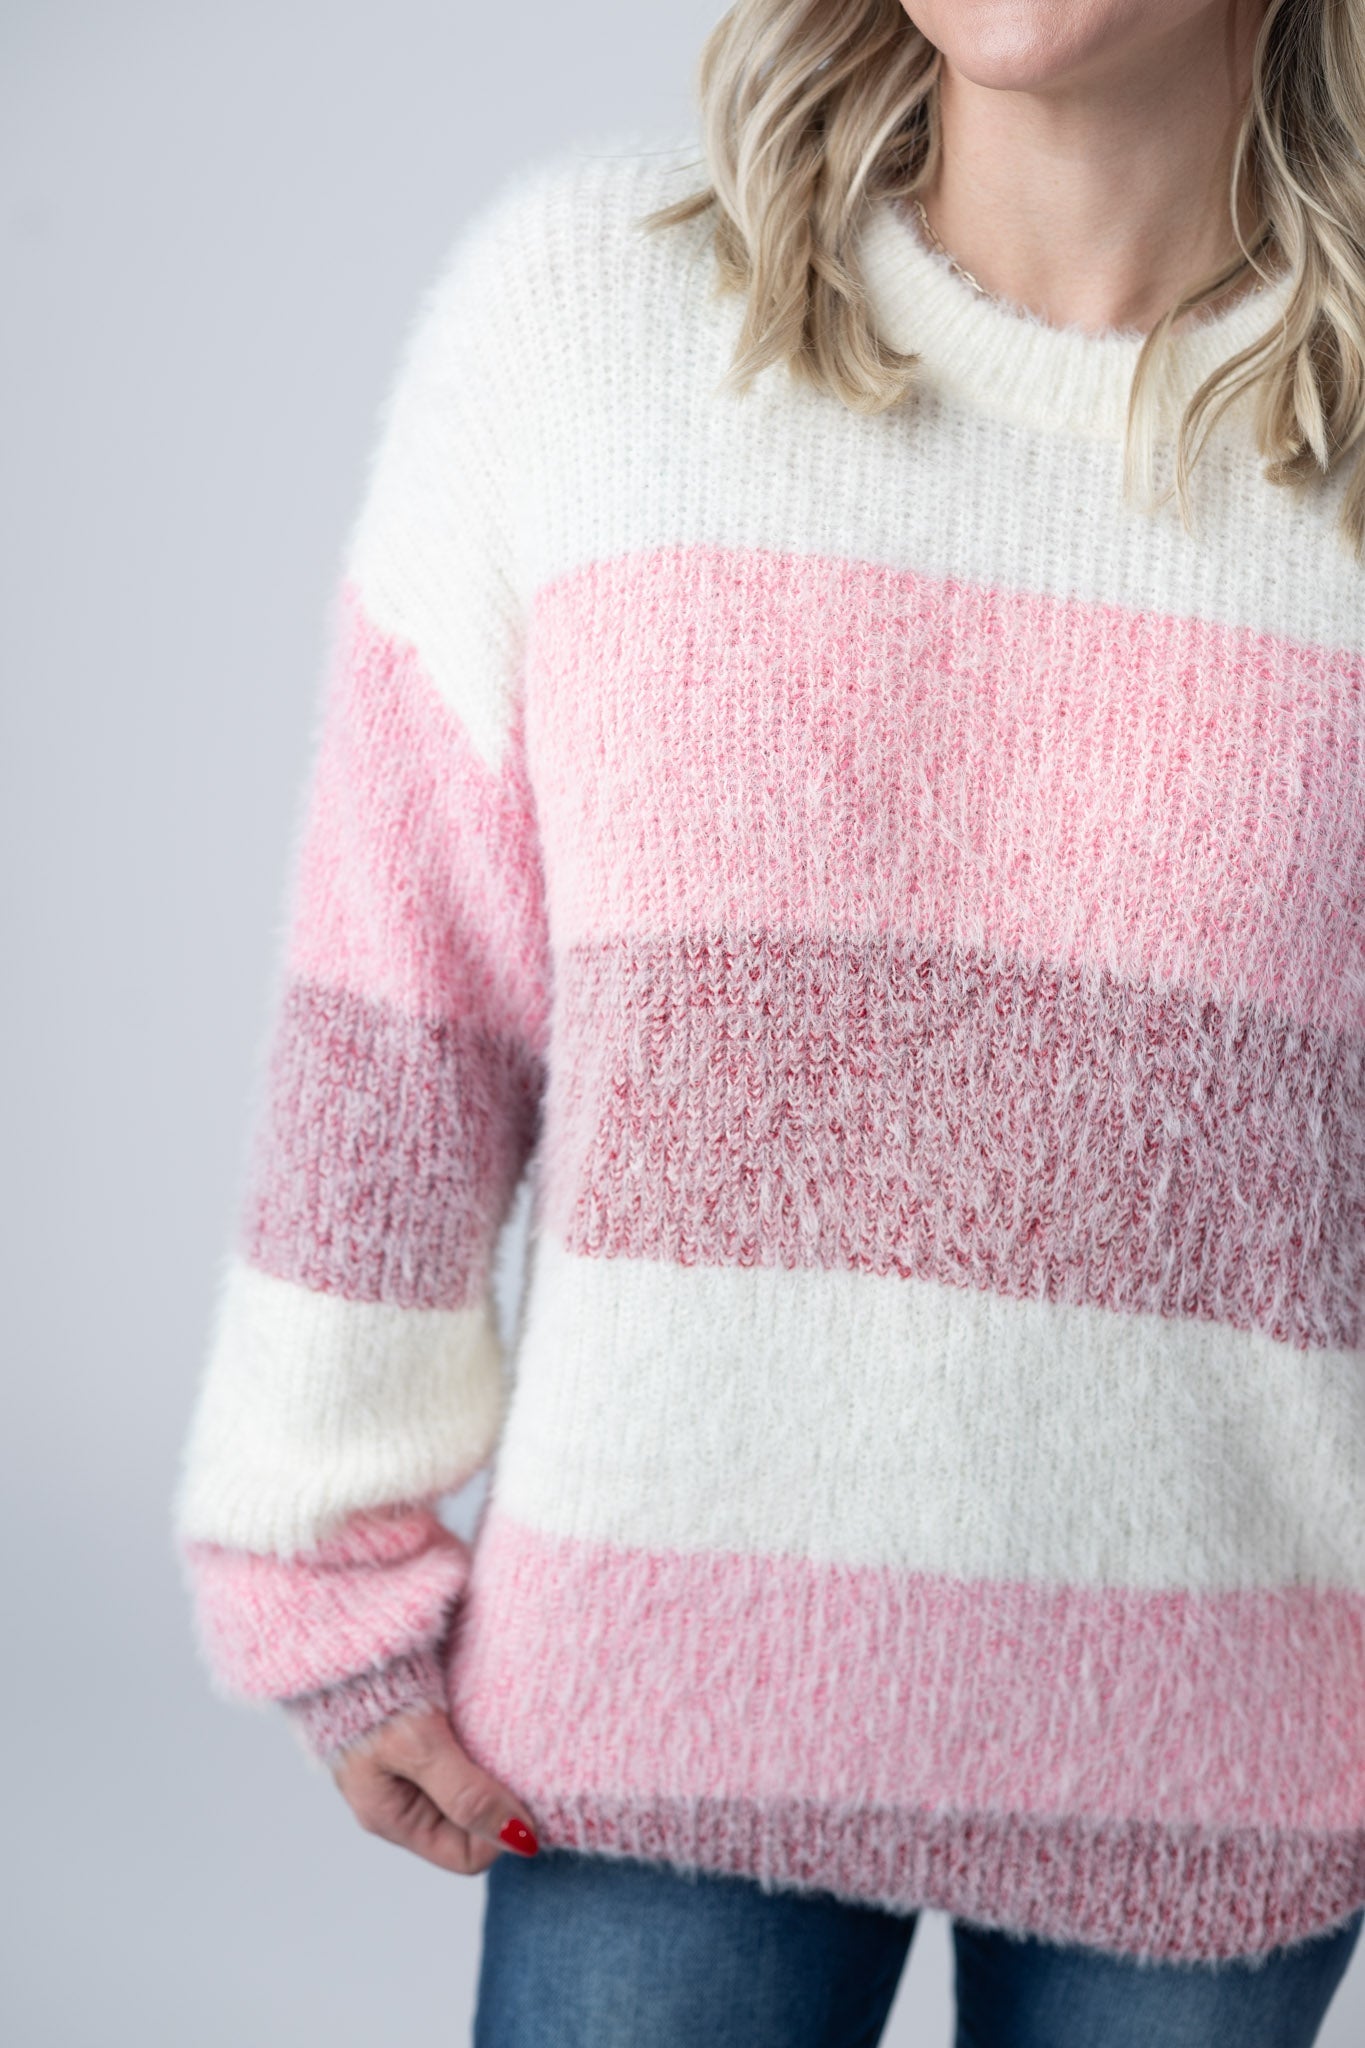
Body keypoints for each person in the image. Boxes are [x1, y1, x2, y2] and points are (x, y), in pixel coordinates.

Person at [171, 0, 1365, 2041]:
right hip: (653, 1700)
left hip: (1246, 1735)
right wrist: (316, 1555)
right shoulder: (589, 322)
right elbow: (403, 1002)